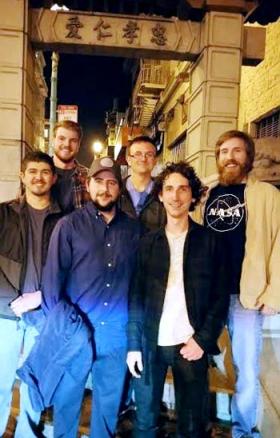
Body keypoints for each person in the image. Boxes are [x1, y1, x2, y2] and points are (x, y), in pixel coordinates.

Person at [127, 161, 229, 438]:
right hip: (150, 344)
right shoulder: (147, 243)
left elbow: (220, 298)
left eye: (183, 189)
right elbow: (136, 296)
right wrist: (134, 345)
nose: (175, 196)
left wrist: (203, 340)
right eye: (169, 189)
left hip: (190, 343)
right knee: (145, 421)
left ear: (193, 196)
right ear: (160, 195)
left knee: (192, 425)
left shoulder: (210, 242)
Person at [42, 156, 141, 438]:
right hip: (76, 333)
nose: (105, 188)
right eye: (99, 181)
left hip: (115, 337)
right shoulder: (68, 226)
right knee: (66, 403)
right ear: (88, 184)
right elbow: (52, 284)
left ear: (120, 189)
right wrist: (63, 331)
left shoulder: (134, 231)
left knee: (108, 410)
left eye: (112, 183)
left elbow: (138, 286)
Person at [202, 130, 280, 438]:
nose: (230, 157)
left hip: (245, 296)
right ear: (218, 157)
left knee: (246, 369)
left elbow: (278, 244)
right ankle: (197, 422)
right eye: (224, 151)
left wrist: (274, 292)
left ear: (248, 157)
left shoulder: (266, 195)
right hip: (207, 293)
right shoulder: (204, 191)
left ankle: (243, 431)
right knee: (195, 360)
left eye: (237, 151)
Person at [0, 151, 61, 437]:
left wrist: (42, 299)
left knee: (33, 385)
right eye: (32, 171)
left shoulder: (66, 220)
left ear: (54, 178)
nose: (38, 176)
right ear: (22, 176)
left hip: (44, 316)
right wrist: (6, 302)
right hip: (6, 316)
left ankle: (27, 434)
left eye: (45, 172)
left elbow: (70, 268)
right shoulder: (3, 214)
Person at [119, 135, 165, 231]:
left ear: (155, 160)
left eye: (149, 154)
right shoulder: (117, 190)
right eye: (138, 154)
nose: (143, 159)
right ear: (128, 159)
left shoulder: (164, 191)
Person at [52, 120, 89, 213]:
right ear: (53, 140)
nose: (67, 144)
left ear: (79, 145)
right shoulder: (38, 173)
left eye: (73, 140)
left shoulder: (89, 176)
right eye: (61, 138)